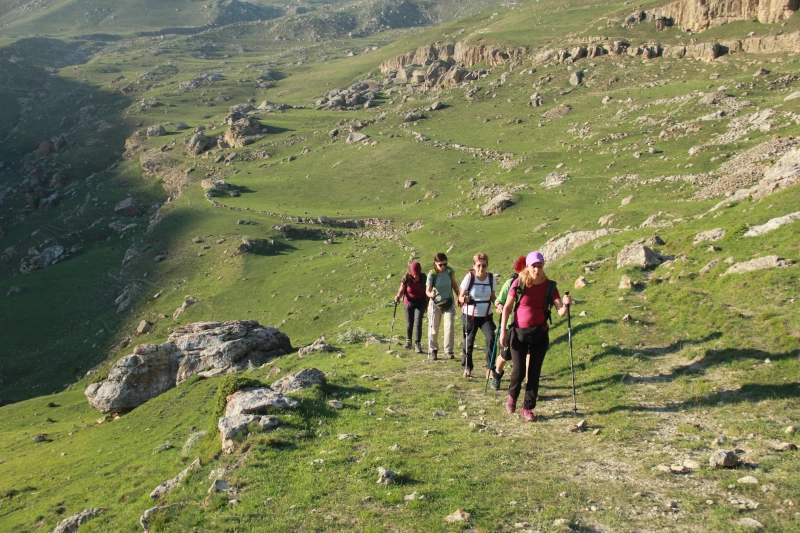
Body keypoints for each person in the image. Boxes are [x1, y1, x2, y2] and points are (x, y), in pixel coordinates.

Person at [499, 251, 572, 422]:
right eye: (534, 266)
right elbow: (507, 308)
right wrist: (503, 331)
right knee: (518, 370)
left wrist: (566, 306)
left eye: (540, 266)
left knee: (534, 372)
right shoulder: (519, 283)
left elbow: (560, 310)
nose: (537, 270)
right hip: (518, 334)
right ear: (528, 267)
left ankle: (528, 408)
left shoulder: (550, 286)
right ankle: (512, 397)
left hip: (540, 334)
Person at [490, 255, 527, 390]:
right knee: (506, 355)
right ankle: (497, 374)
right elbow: (499, 300)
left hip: (526, 327)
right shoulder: (512, 282)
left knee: (528, 355)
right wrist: (500, 306)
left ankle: (529, 384)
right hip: (510, 326)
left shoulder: (534, 283)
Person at [458, 253, 496, 379]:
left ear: (487, 265)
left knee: (491, 338)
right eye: (478, 265)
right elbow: (460, 296)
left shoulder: (491, 278)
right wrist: (465, 298)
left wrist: (498, 304)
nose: (481, 268)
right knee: (469, 341)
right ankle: (467, 367)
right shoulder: (470, 277)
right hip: (470, 315)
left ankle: (489, 368)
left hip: (486, 316)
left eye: (484, 265)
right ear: (474, 265)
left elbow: (492, 297)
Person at [426, 253, 459, 361]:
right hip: (435, 304)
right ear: (435, 263)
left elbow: (454, 285)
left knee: (449, 326)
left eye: (445, 264)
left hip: (448, 303)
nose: (443, 267)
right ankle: (433, 350)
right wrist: (431, 294)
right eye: (441, 264)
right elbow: (427, 290)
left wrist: (459, 296)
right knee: (433, 328)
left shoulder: (450, 271)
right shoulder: (432, 274)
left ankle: (448, 351)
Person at [394, 262, 427, 353]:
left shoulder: (424, 278)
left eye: (417, 274)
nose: (416, 276)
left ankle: (417, 344)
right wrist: (397, 296)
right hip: (408, 303)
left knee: (418, 322)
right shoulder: (406, 279)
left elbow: (426, 292)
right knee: (409, 322)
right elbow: (401, 291)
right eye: (414, 274)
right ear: (410, 272)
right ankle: (408, 340)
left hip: (420, 302)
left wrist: (427, 304)